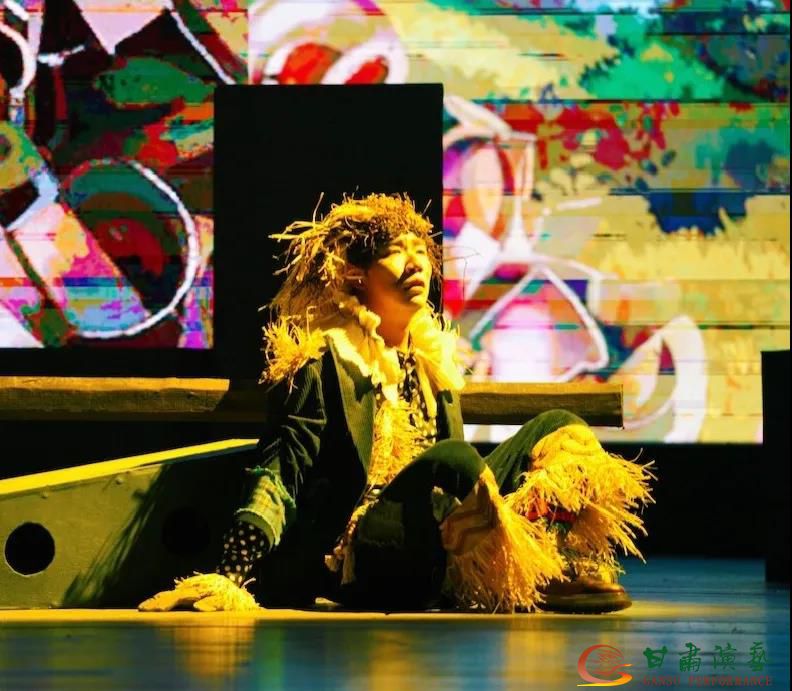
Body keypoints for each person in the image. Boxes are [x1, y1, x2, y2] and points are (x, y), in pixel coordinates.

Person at [140, 193, 653, 614]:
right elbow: (280, 472)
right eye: (394, 251)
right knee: (454, 460)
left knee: (559, 426)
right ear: (355, 274)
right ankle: (512, 574)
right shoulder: (323, 360)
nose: (415, 263)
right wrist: (230, 575)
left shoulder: (434, 364)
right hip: (364, 554)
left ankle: (548, 566)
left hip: (432, 534)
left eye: (420, 251)